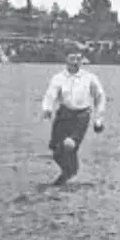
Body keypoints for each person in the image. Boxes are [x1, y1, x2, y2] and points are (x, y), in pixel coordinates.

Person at [41, 48, 106, 185]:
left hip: (81, 116)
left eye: (78, 59)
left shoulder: (90, 78)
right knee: (56, 152)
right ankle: (69, 171)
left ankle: (70, 171)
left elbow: (100, 96)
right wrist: (47, 109)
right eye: (72, 59)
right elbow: (50, 94)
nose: (75, 62)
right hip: (64, 115)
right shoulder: (58, 78)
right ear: (66, 60)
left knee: (69, 144)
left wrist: (98, 119)